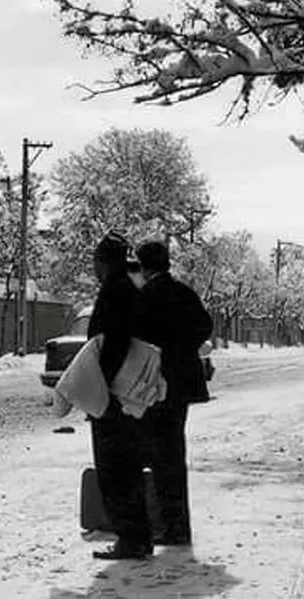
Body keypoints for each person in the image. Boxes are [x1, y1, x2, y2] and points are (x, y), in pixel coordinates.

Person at [135, 239, 213, 547]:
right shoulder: (183, 293)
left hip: (154, 384)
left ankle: (168, 525)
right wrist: (182, 348)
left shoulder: (146, 297)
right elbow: (204, 326)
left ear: (144, 266)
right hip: (182, 385)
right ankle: (179, 525)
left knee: (157, 454)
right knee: (173, 453)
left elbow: (138, 339)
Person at [86, 232, 152, 560]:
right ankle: (136, 536)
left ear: (104, 262)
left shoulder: (115, 292)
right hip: (124, 395)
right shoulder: (127, 289)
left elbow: (111, 345)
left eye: (96, 262)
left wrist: (100, 388)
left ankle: (132, 538)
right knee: (125, 468)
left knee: (116, 469)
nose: (94, 268)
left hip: (114, 396)